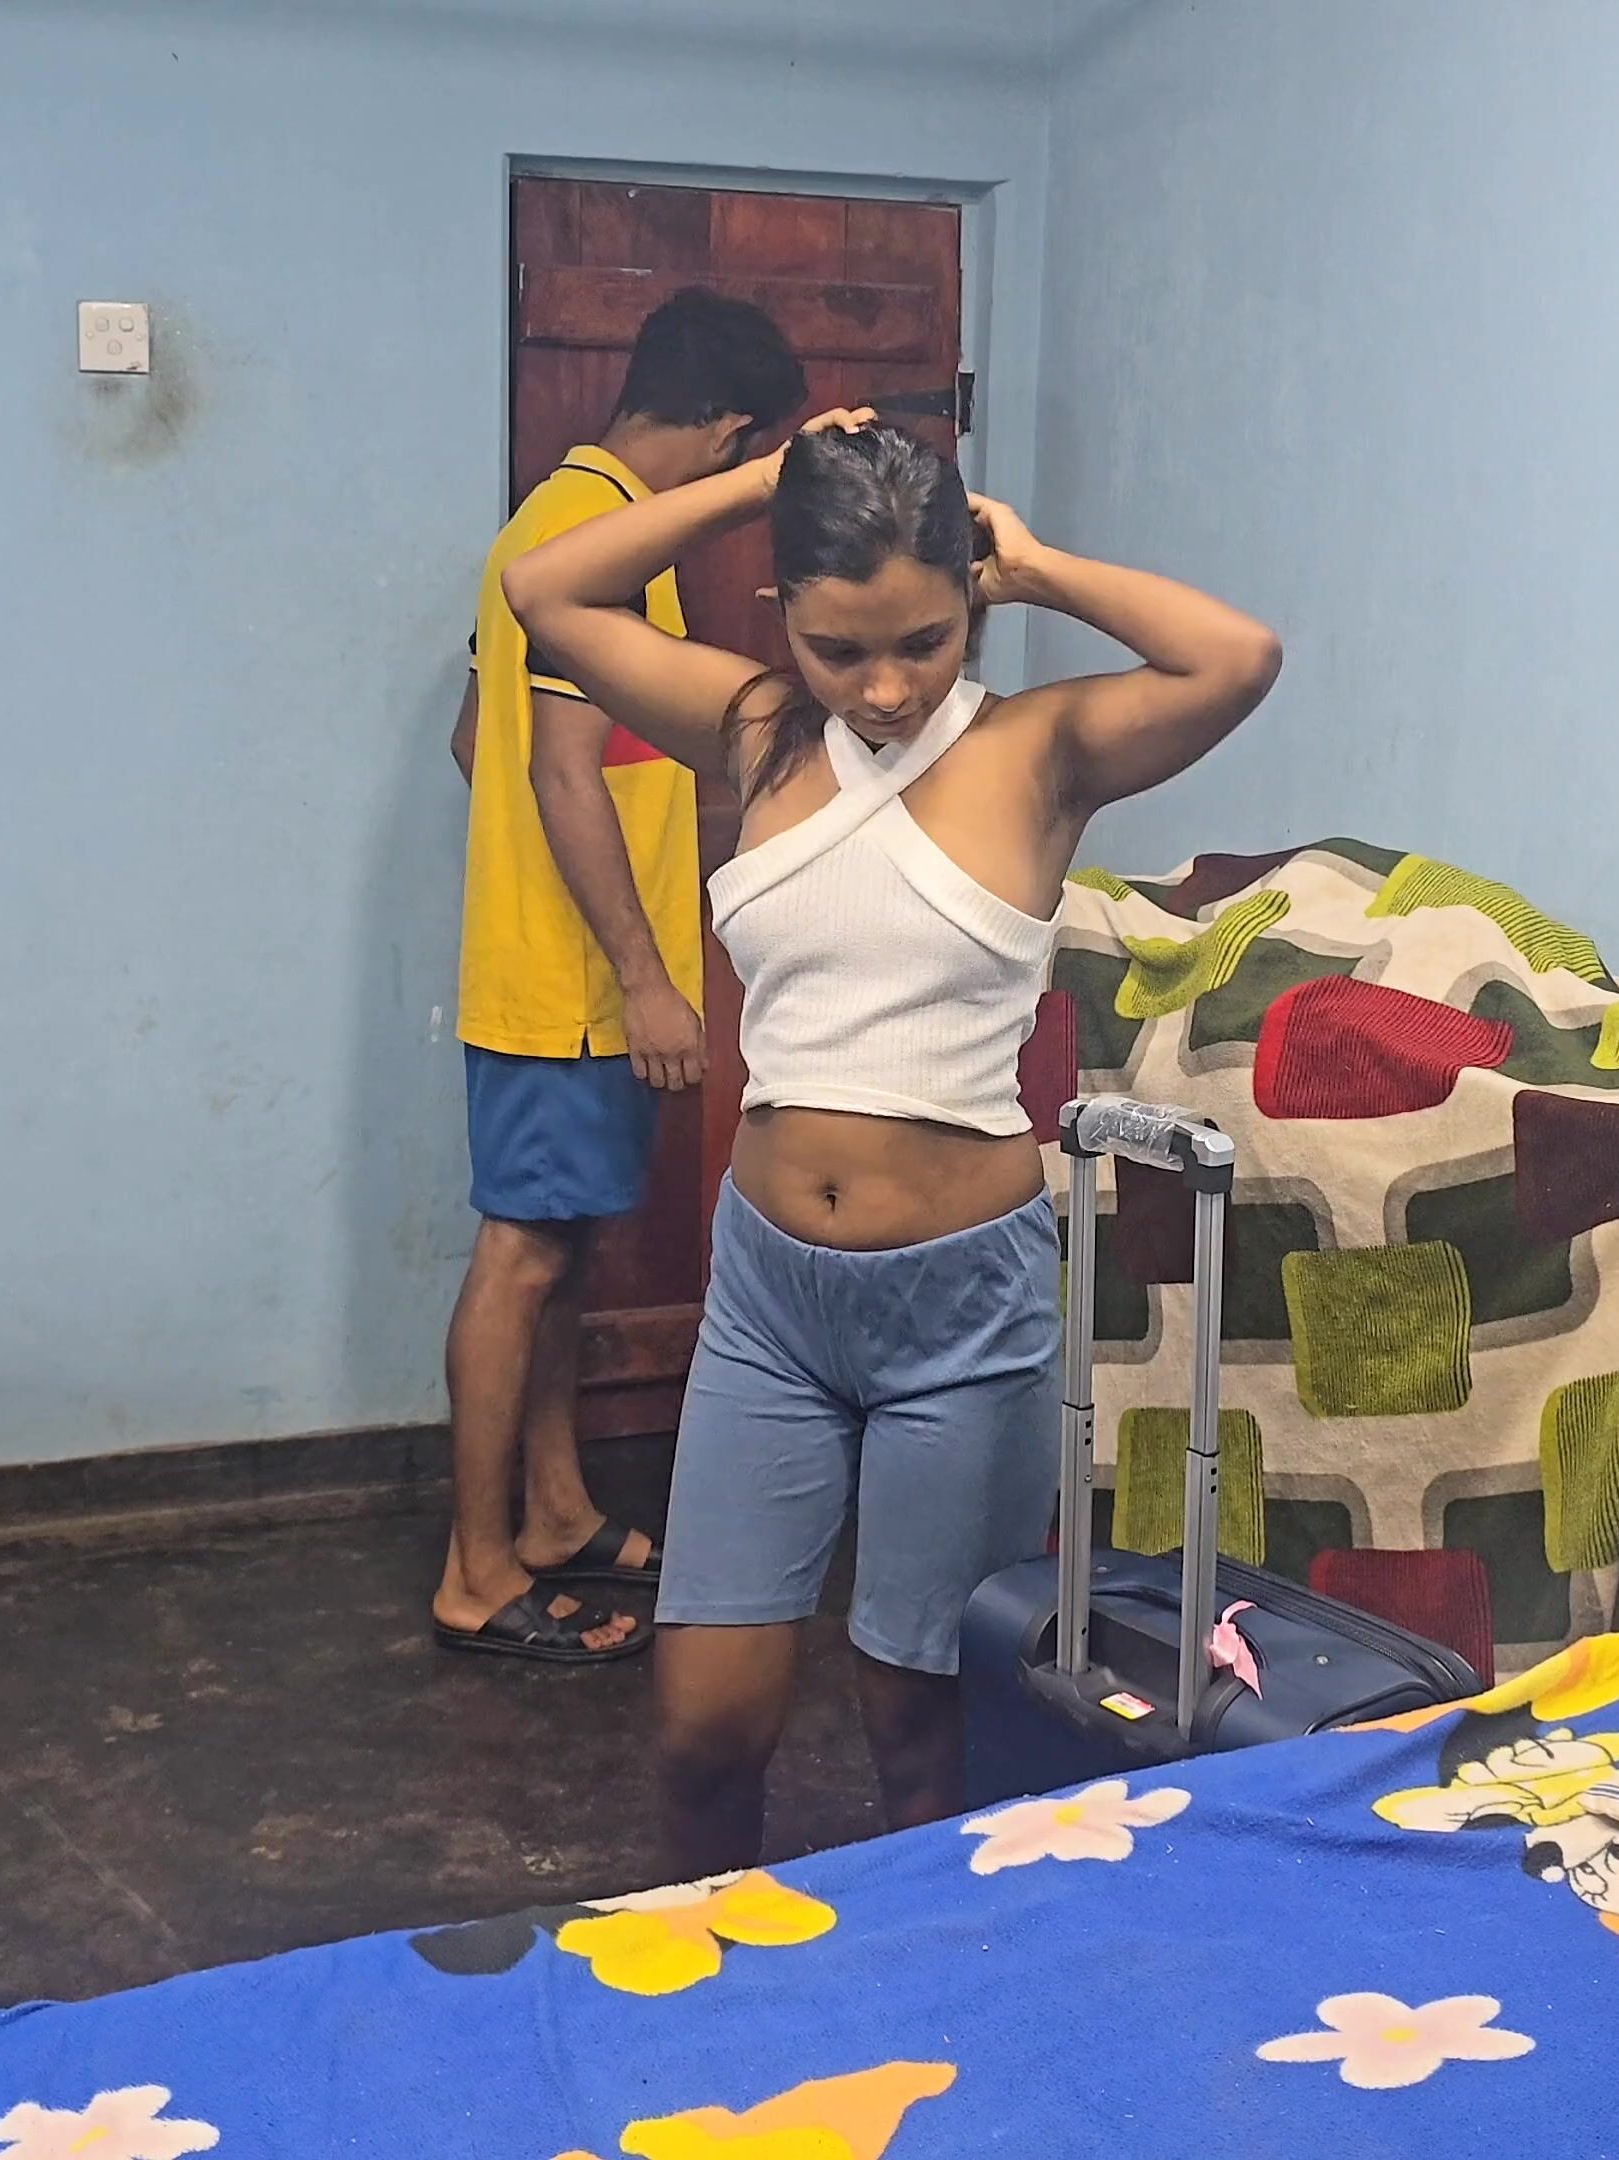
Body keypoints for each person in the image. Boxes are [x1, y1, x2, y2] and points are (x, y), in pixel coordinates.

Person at [505, 410, 1280, 1866]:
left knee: (921, 1724)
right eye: (837, 648)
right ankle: (719, 1978)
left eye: (924, 641)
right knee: (703, 1728)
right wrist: (761, 481)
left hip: (962, 1311)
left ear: (970, 604)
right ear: (779, 612)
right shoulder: (754, 730)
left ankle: (928, 1980)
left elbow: (1236, 657)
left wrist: (1036, 566)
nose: (882, 688)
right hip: (768, 1303)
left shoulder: (1041, 750)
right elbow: (547, 588)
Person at [438, 291, 805, 1665]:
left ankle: (552, 1513)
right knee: (523, 1254)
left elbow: (479, 743)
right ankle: (476, 1572)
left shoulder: (548, 527)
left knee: (564, 1247)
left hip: (553, 960)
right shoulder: (594, 544)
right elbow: (552, 768)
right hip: (570, 984)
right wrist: (644, 977)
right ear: (726, 432)